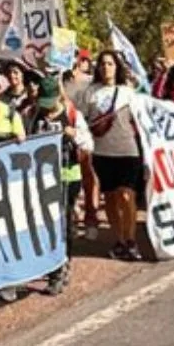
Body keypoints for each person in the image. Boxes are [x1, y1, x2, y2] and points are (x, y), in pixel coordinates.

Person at [28, 76, 93, 296]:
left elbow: (88, 144)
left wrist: (74, 135)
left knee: (62, 222)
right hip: (43, 177)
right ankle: (52, 264)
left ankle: (61, 266)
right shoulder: (35, 115)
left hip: (68, 174)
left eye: (50, 103)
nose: (46, 109)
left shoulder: (73, 115)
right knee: (44, 223)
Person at [86, 52, 147, 261]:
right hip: (102, 152)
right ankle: (119, 240)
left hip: (127, 151)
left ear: (117, 67)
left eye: (110, 64)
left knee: (126, 194)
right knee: (111, 197)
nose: (106, 67)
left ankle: (131, 240)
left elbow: (142, 120)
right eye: (102, 64)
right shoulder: (90, 92)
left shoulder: (128, 92)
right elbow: (83, 118)